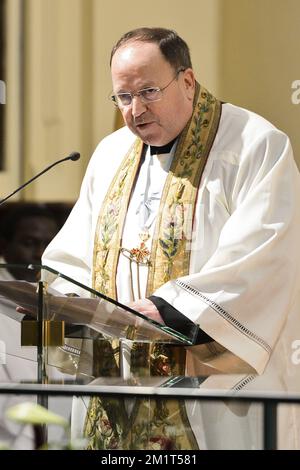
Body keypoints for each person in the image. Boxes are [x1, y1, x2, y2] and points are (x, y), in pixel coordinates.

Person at [42, 28, 300, 449]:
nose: (135, 109)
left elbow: (265, 256)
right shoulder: (110, 154)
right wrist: (60, 300)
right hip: (117, 380)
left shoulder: (256, 145)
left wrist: (168, 309)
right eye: (123, 97)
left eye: (148, 91)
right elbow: (73, 256)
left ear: (186, 80)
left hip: (205, 385)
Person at [0, 204, 68, 449]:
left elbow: (59, 368)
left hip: (54, 422)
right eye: (29, 242)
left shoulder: (59, 301)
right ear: (4, 246)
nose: (39, 253)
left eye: (48, 245)